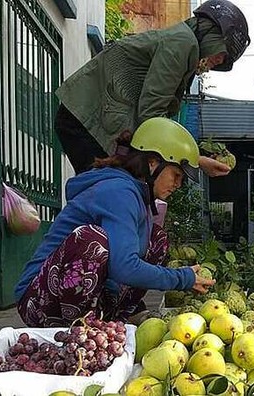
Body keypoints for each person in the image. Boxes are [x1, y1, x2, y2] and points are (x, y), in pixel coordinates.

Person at [15, 118, 214, 327]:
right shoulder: (118, 192)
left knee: (157, 240)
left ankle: (113, 318)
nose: (178, 184)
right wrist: (182, 278)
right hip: (38, 300)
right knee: (93, 241)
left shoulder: (139, 196)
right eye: (176, 175)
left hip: (79, 293)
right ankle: (78, 331)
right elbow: (125, 267)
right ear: (153, 163)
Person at [54, 0, 250, 175]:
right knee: (105, 196)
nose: (220, 61)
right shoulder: (182, 44)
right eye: (223, 53)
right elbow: (151, 116)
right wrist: (196, 159)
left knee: (106, 195)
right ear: (211, 32)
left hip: (88, 119)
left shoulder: (185, 45)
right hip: (85, 120)